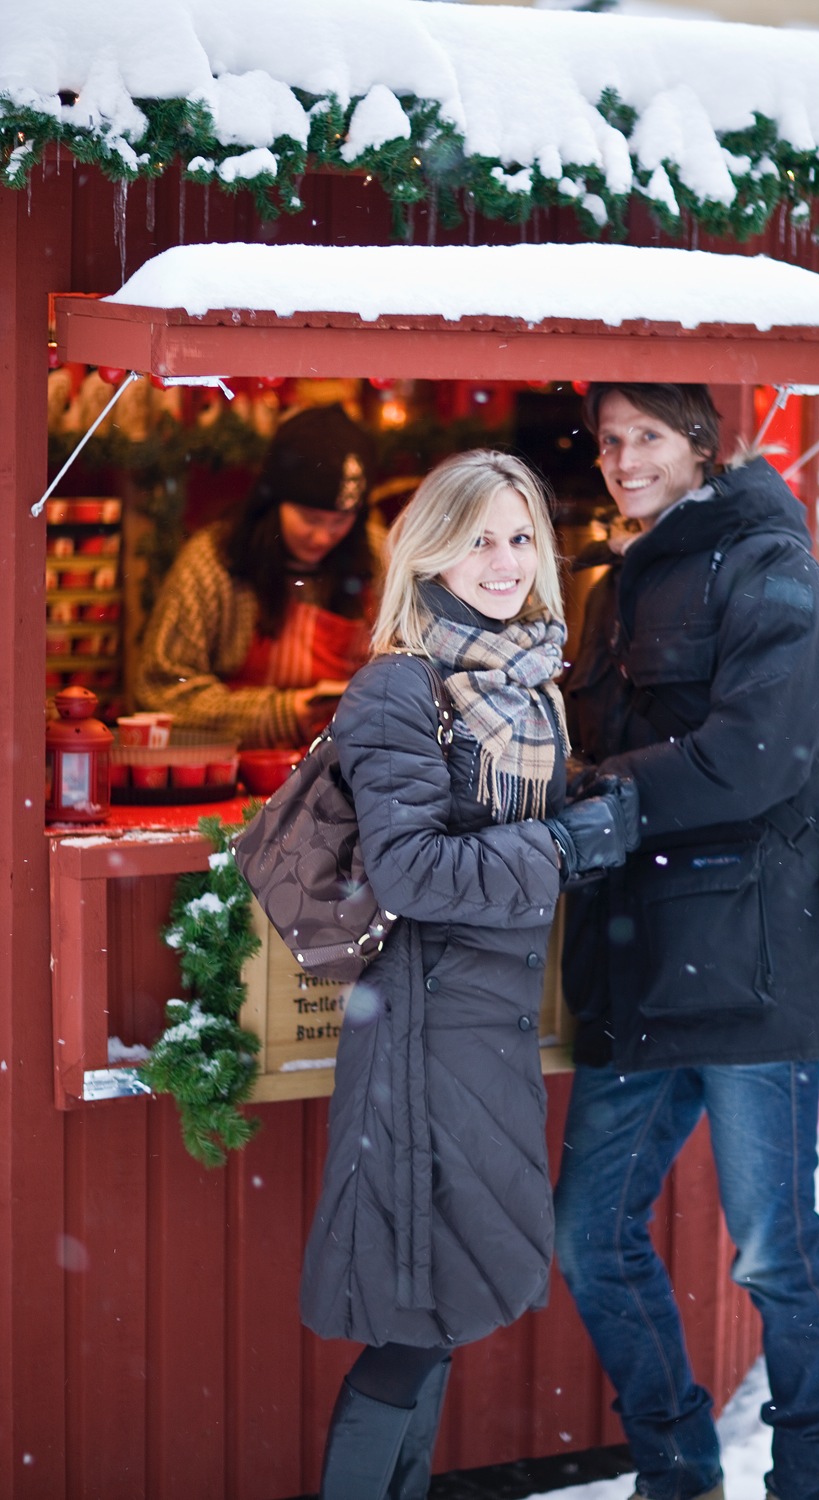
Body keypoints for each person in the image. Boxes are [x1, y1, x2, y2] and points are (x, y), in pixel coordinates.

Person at [297, 448, 640, 1500]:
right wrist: (565, 848)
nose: (504, 560)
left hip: (483, 1025)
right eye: (479, 537)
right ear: (431, 552)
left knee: (439, 1312)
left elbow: (485, 820)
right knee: (414, 1316)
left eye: (520, 535)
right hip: (422, 1025)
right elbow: (410, 868)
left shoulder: (524, 678)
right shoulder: (401, 685)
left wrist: (588, 795)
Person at [552, 384, 819, 1500]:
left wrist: (605, 800)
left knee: (775, 1254)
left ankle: (811, 1480)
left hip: (751, 963)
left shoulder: (771, 569)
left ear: (700, 446)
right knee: (588, 1237)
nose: (623, 460)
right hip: (638, 962)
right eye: (609, 440)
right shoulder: (608, 582)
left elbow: (757, 757)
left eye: (647, 438)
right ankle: (677, 1469)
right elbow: (582, 739)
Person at [134, 404, 376, 747]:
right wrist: (278, 713)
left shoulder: (381, 559)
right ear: (273, 501)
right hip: (239, 775)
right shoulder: (214, 561)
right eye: (309, 518)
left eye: (339, 522)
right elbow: (161, 692)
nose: (323, 536)